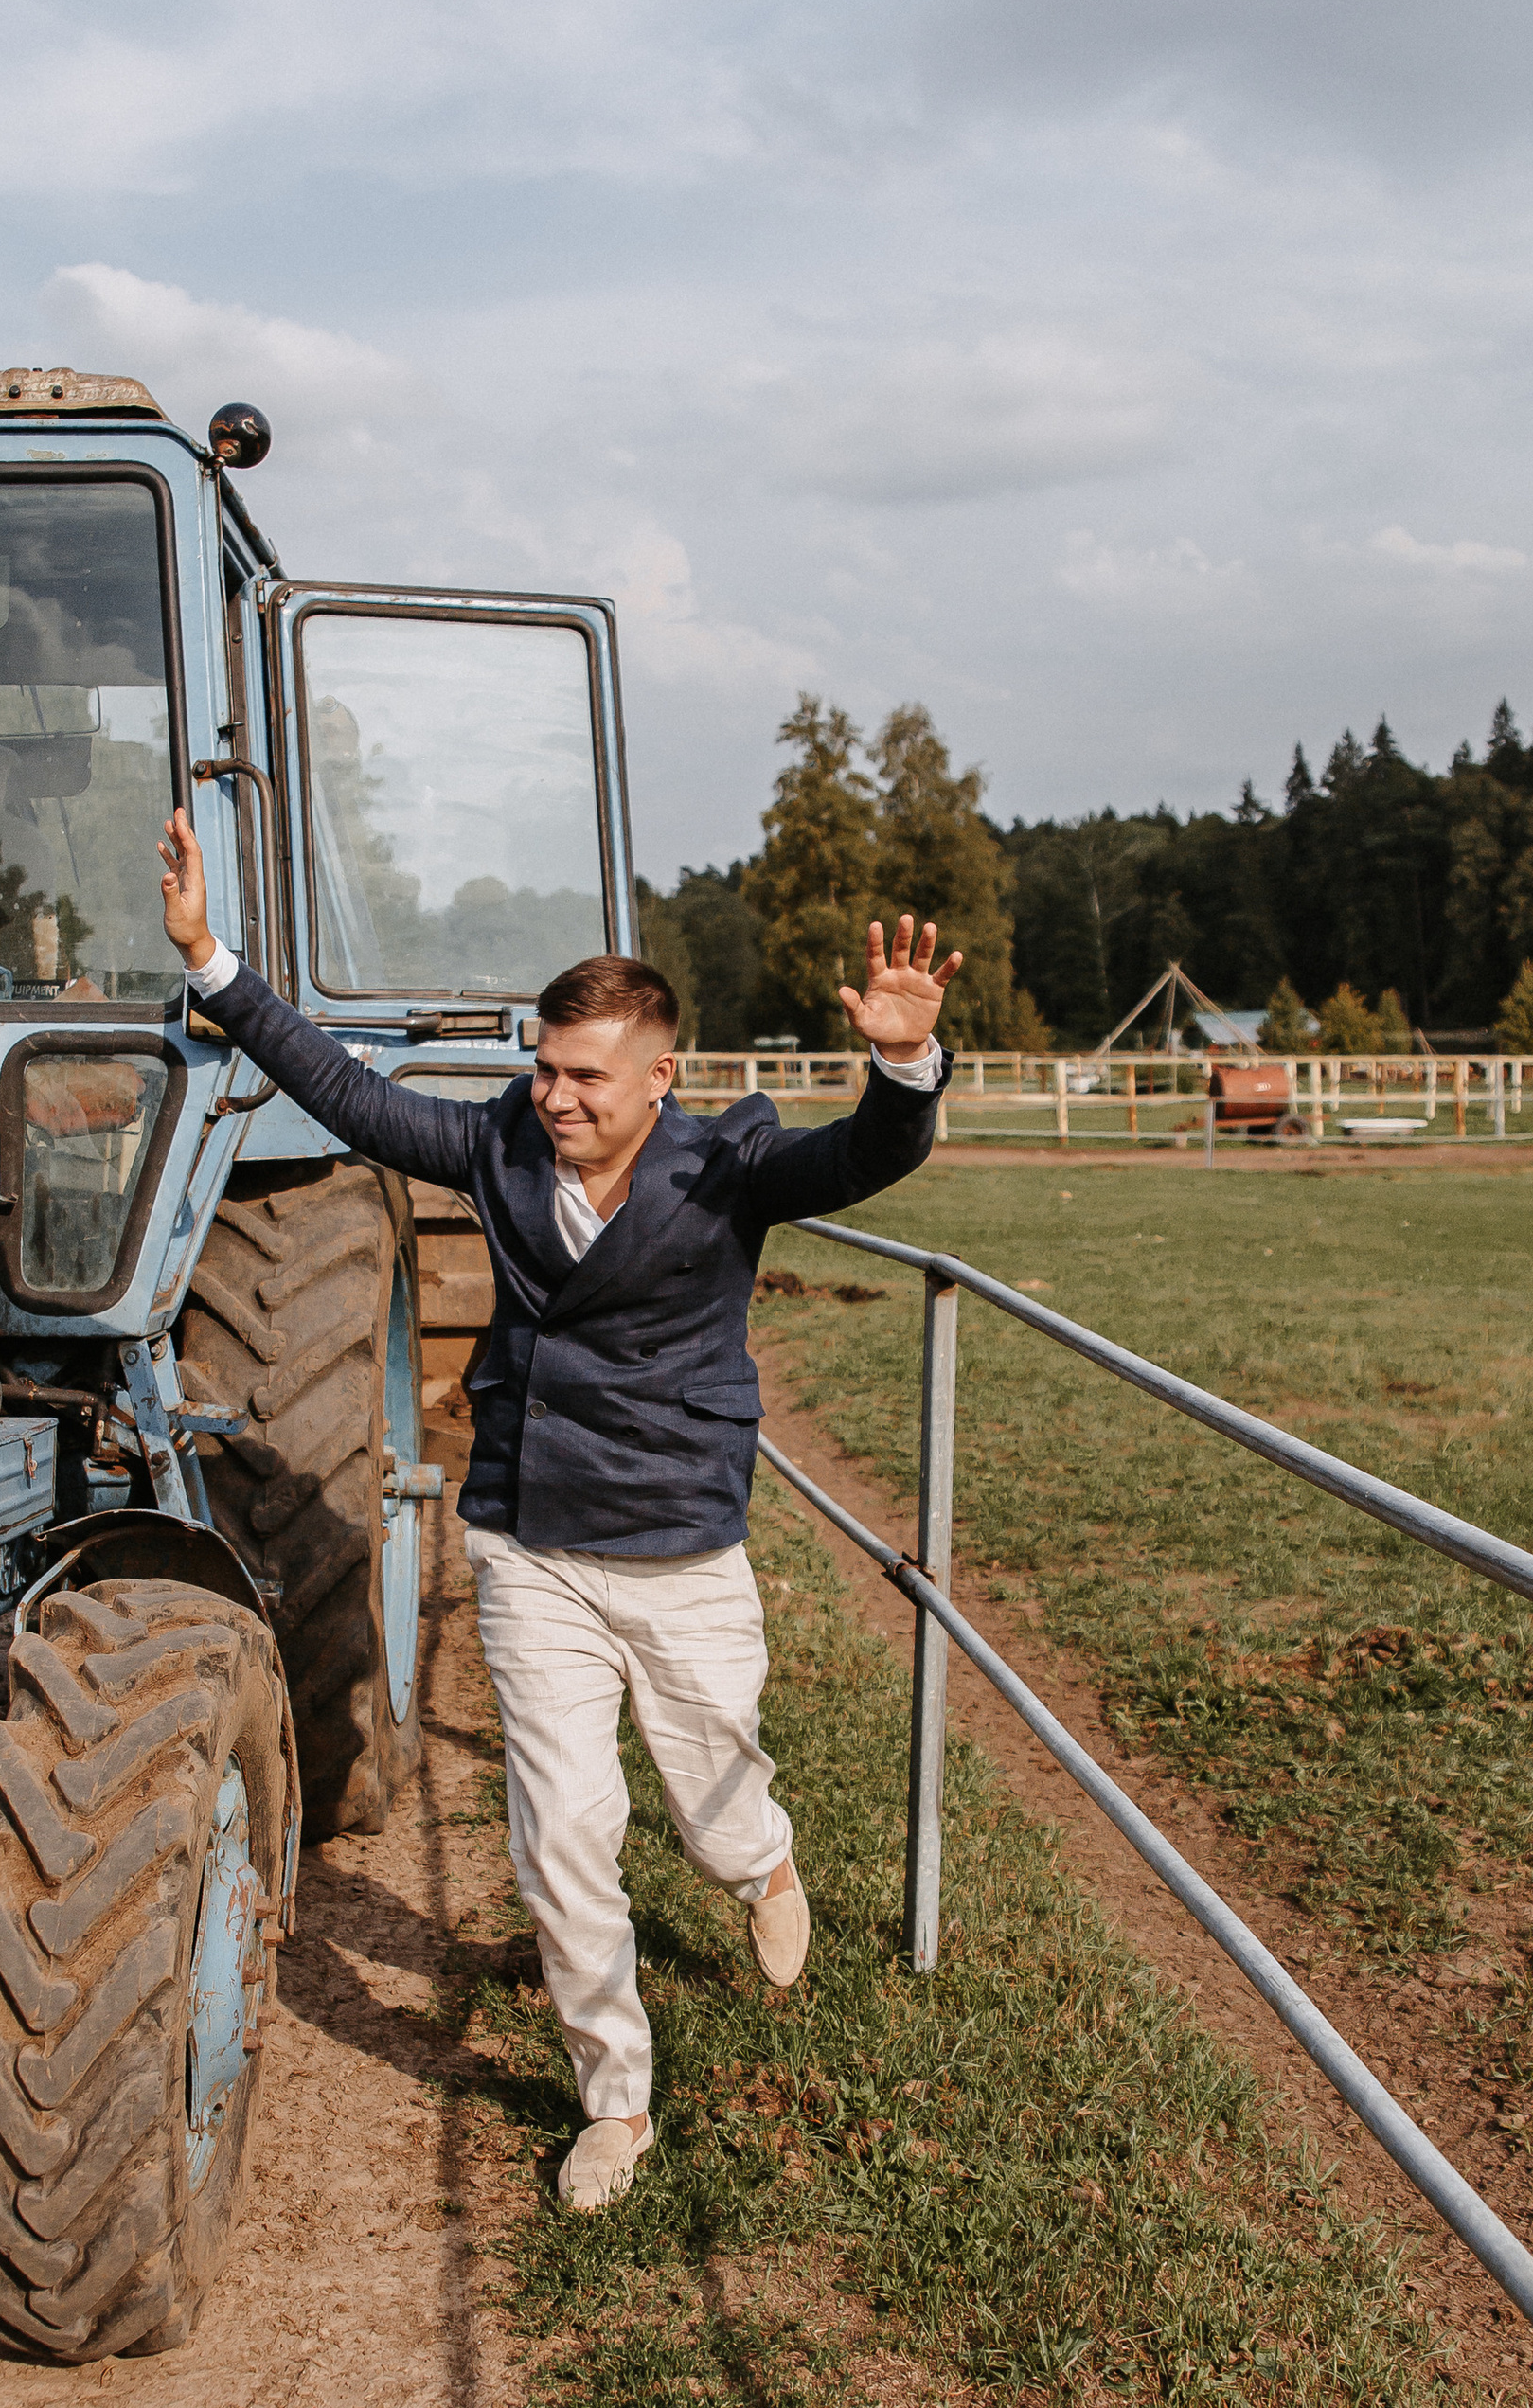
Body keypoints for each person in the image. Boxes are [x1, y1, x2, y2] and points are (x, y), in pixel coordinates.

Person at [157, 814, 960, 2208]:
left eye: (586, 1075)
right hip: (531, 1541)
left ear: (663, 1079)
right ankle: (617, 2102)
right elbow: (350, 1099)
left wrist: (902, 1065)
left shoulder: (729, 1166)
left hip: (679, 1544)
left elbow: (866, 1161)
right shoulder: (498, 1150)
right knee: (566, 1832)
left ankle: (762, 1865)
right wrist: (215, 965)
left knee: (712, 1806)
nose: (554, 1095)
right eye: (542, 1066)